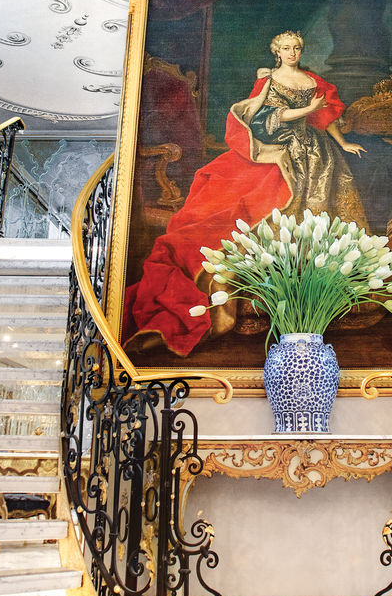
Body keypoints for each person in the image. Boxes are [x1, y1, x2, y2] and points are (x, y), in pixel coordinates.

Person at [124, 30, 369, 356]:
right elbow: (268, 121)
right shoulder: (268, 82)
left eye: (296, 47)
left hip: (318, 156)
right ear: (276, 51)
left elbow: (325, 118)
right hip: (278, 153)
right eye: (286, 48)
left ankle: (318, 286)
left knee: (324, 216)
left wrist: (343, 143)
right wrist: (304, 110)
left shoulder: (312, 80)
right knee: (253, 204)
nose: (292, 52)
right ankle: (267, 288)